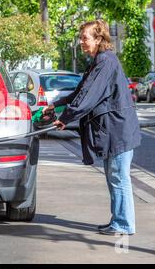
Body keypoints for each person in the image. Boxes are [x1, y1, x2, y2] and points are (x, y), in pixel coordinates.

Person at [43, 19, 141, 236]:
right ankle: (119, 220)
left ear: (99, 39)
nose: (81, 42)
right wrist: (56, 105)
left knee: (118, 177)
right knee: (115, 177)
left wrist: (65, 117)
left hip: (118, 131)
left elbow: (88, 96)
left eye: (85, 38)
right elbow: (81, 90)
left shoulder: (105, 62)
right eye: (81, 38)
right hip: (115, 130)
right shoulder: (100, 61)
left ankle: (124, 224)